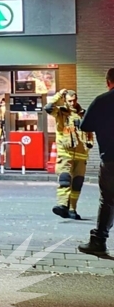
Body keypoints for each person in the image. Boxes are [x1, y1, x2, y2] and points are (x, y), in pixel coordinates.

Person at [78, 67, 114, 257]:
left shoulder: (102, 100)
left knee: (108, 200)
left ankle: (99, 241)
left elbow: (86, 125)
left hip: (111, 159)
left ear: (108, 82)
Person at [46, 88, 92, 219]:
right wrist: (59, 95)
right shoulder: (60, 112)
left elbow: (89, 132)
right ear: (65, 100)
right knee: (65, 180)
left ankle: (72, 209)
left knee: (77, 183)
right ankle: (62, 205)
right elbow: (48, 107)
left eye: (74, 100)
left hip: (81, 154)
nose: (72, 103)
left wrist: (89, 144)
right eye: (70, 101)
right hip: (65, 153)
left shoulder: (83, 114)